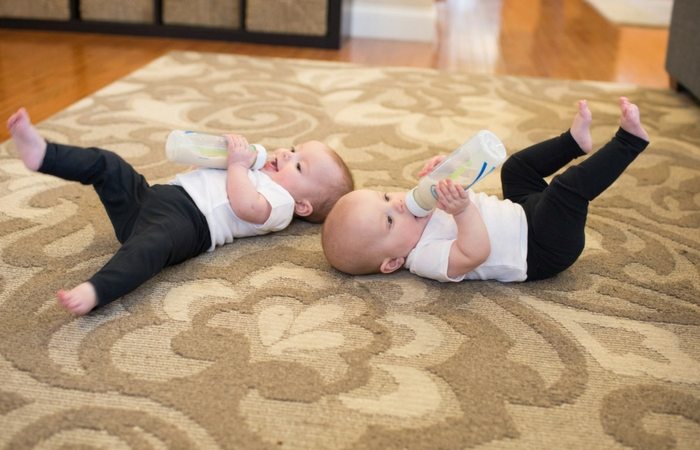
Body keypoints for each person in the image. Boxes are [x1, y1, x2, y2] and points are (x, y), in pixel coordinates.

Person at [7, 108, 354, 315]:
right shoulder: (260, 170)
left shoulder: (280, 204)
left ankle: (96, 290)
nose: (288, 156)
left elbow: (246, 207)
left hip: (187, 224)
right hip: (153, 198)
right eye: (294, 149)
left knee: (149, 249)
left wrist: (236, 166)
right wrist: (219, 153)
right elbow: (206, 168)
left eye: (299, 167)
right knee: (109, 165)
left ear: (303, 205)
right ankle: (44, 154)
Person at [321, 97, 649, 284]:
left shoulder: (416, 211)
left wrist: (444, 168)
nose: (399, 205)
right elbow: (474, 252)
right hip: (540, 249)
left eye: (385, 197)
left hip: (521, 212)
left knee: (516, 169)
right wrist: (461, 211)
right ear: (392, 262)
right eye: (389, 221)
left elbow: (461, 181)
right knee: (564, 189)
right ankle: (629, 142)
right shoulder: (425, 258)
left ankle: (573, 142)